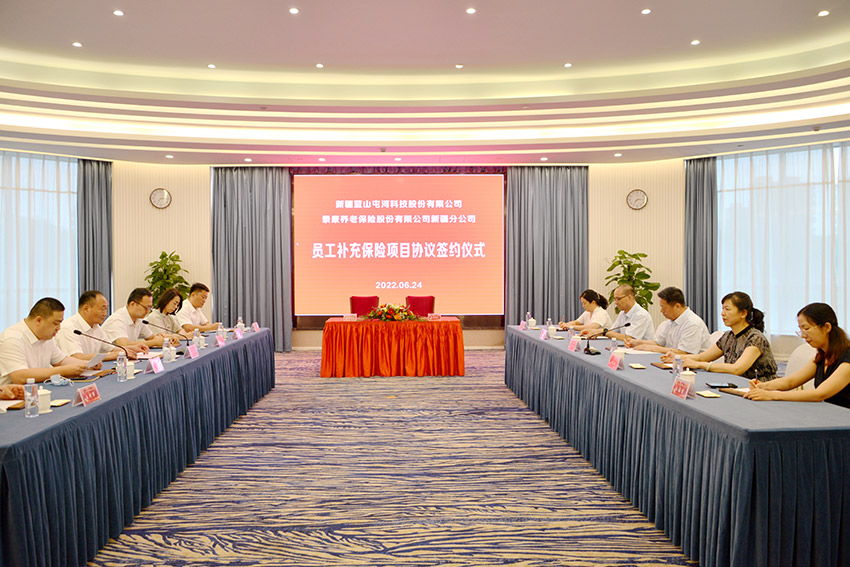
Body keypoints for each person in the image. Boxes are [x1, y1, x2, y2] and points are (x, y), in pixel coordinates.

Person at [746, 303, 850, 407]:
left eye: (806, 328)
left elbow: (819, 394)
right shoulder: (822, 356)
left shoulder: (847, 357)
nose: (803, 335)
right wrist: (763, 386)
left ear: (827, 327)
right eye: (801, 330)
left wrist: (771, 395)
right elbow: (790, 382)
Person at [669, 291, 777, 380]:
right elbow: (702, 357)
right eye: (722, 309)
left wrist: (700, 365)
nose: (722, 313)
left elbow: (737, 369)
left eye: (727, 309)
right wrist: (677, 357)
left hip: (760, 387)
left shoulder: (756, 338)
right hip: (734, 383)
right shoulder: (728, 336)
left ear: (743, 313)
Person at [0, 297, 90, 385]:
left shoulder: (46, 337)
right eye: (55, 323)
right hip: (17, 393)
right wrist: (63, 371)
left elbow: (61, 361)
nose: (59, 328)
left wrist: (88, 365)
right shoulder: (12, 338)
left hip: (41, 389)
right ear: (39, 320)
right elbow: (20, 377)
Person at [56, 290, 142, 361]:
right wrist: (117, 354)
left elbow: (112, 348)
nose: (105, 314)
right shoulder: (69, 327)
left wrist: (130, 349)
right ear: (86, 308)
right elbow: (76, 357)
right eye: (102, 309)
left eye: (106, 309)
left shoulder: (96, 327)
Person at [626, 286, 712, 354]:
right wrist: (638, 342)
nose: (661, 311)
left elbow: (684, 352)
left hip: (693, 368)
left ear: (677, 306)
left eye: (663, 307)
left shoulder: (692, 323)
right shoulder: (671, 322)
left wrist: (652, 348)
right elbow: (659, 343)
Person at [102, 288, 177, 350]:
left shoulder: (139, 319)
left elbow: (151, 337)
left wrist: (167, 339)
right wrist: (155, 342)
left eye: (150, 308)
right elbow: (124, 345)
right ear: (132, 304)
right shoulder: (117, 320)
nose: (148, 311)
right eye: (146, 308)